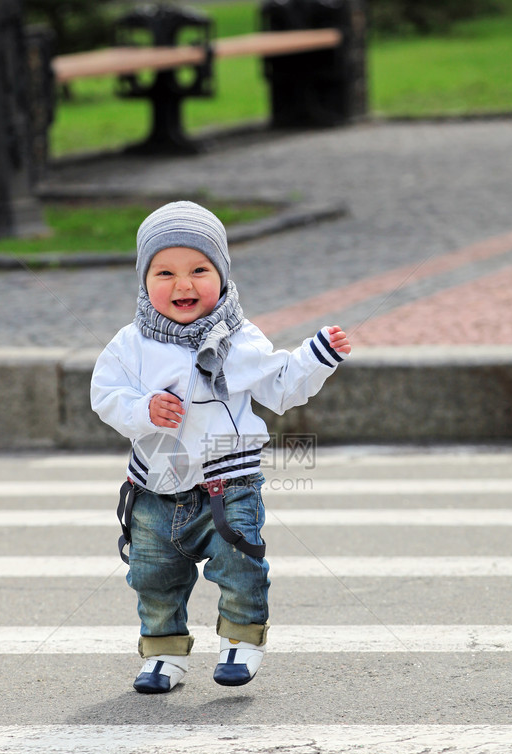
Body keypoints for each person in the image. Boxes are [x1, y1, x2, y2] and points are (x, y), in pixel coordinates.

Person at [91, 201, 351, 694]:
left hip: (226, 485)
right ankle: (164, 652)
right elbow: (105, 396)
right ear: (143, 280)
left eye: (199, 270)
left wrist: (316, 358)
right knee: (152, 576)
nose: (182, 285)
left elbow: (280, 388)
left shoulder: (238, 339)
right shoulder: (129, 344)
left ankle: (241, 640)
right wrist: (143, 409)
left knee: (240, 565)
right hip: (155, 488)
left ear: (223, 275)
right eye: (164, 272)